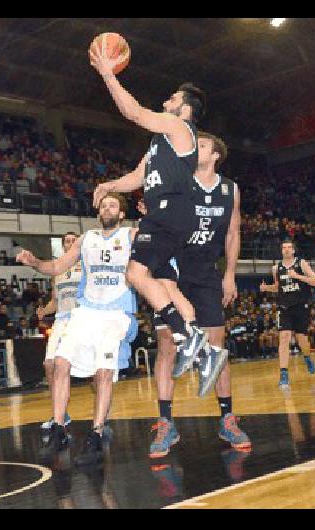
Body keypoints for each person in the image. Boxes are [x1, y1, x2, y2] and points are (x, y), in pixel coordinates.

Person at [89, 47, 211, 378]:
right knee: (162, 282)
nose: (166, 101)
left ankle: (190, 337)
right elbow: (137, 177)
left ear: (184, 108)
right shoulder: (160, 142)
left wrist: (108, 74)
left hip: (170, 210)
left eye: (172, 98)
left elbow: (135, 112)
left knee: (135, 274)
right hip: (169, 215)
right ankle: (206, 352)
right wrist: (109, 185)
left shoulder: (179, 128)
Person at [16, 193, 137, 465]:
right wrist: (35, 262)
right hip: (85, 311)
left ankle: (96, 433)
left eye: (113, 205)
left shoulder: (131, 236)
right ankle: (59, 428)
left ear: (121, 214)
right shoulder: (86, 239)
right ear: (98, 212)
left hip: (115, 313)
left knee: (103, 372)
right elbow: (57, 266)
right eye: (103, 204)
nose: (107, 208)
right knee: (60, 363)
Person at [149, 132, 247, 458]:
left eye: (201, 146)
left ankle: (227, 418)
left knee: (217, 346)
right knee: (166, 346)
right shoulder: (177, 180)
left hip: (206, 273)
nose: (194, 149)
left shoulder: (229, 189)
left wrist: (230, 274)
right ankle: (165, 422)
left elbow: (233, 233)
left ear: (216, 154)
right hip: (172, 270)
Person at [36, 231, 81, 431]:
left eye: (73, 240)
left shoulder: (86, 265)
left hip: (81, 318)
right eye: (67, 241)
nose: (70, 244)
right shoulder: (57, 271)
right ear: (63, 246)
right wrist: (44, 311)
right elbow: (55, 301)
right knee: (49, 364)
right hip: (62, 319)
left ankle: (102, 415)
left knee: (95, 370)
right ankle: (60, 414)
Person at [259, 240, 315, 387]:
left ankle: (307, 357)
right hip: (284, 307)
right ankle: (284, 373)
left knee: (302, 340)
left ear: (293, 250)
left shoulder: (301, 263)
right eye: (284, 248)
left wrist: (297, 276)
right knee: (284, 337)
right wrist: (266, 288)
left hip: (300, 306)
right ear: (281, 251)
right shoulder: (276, 268)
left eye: (289, 247)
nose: (286, 250)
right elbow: (278, 288)